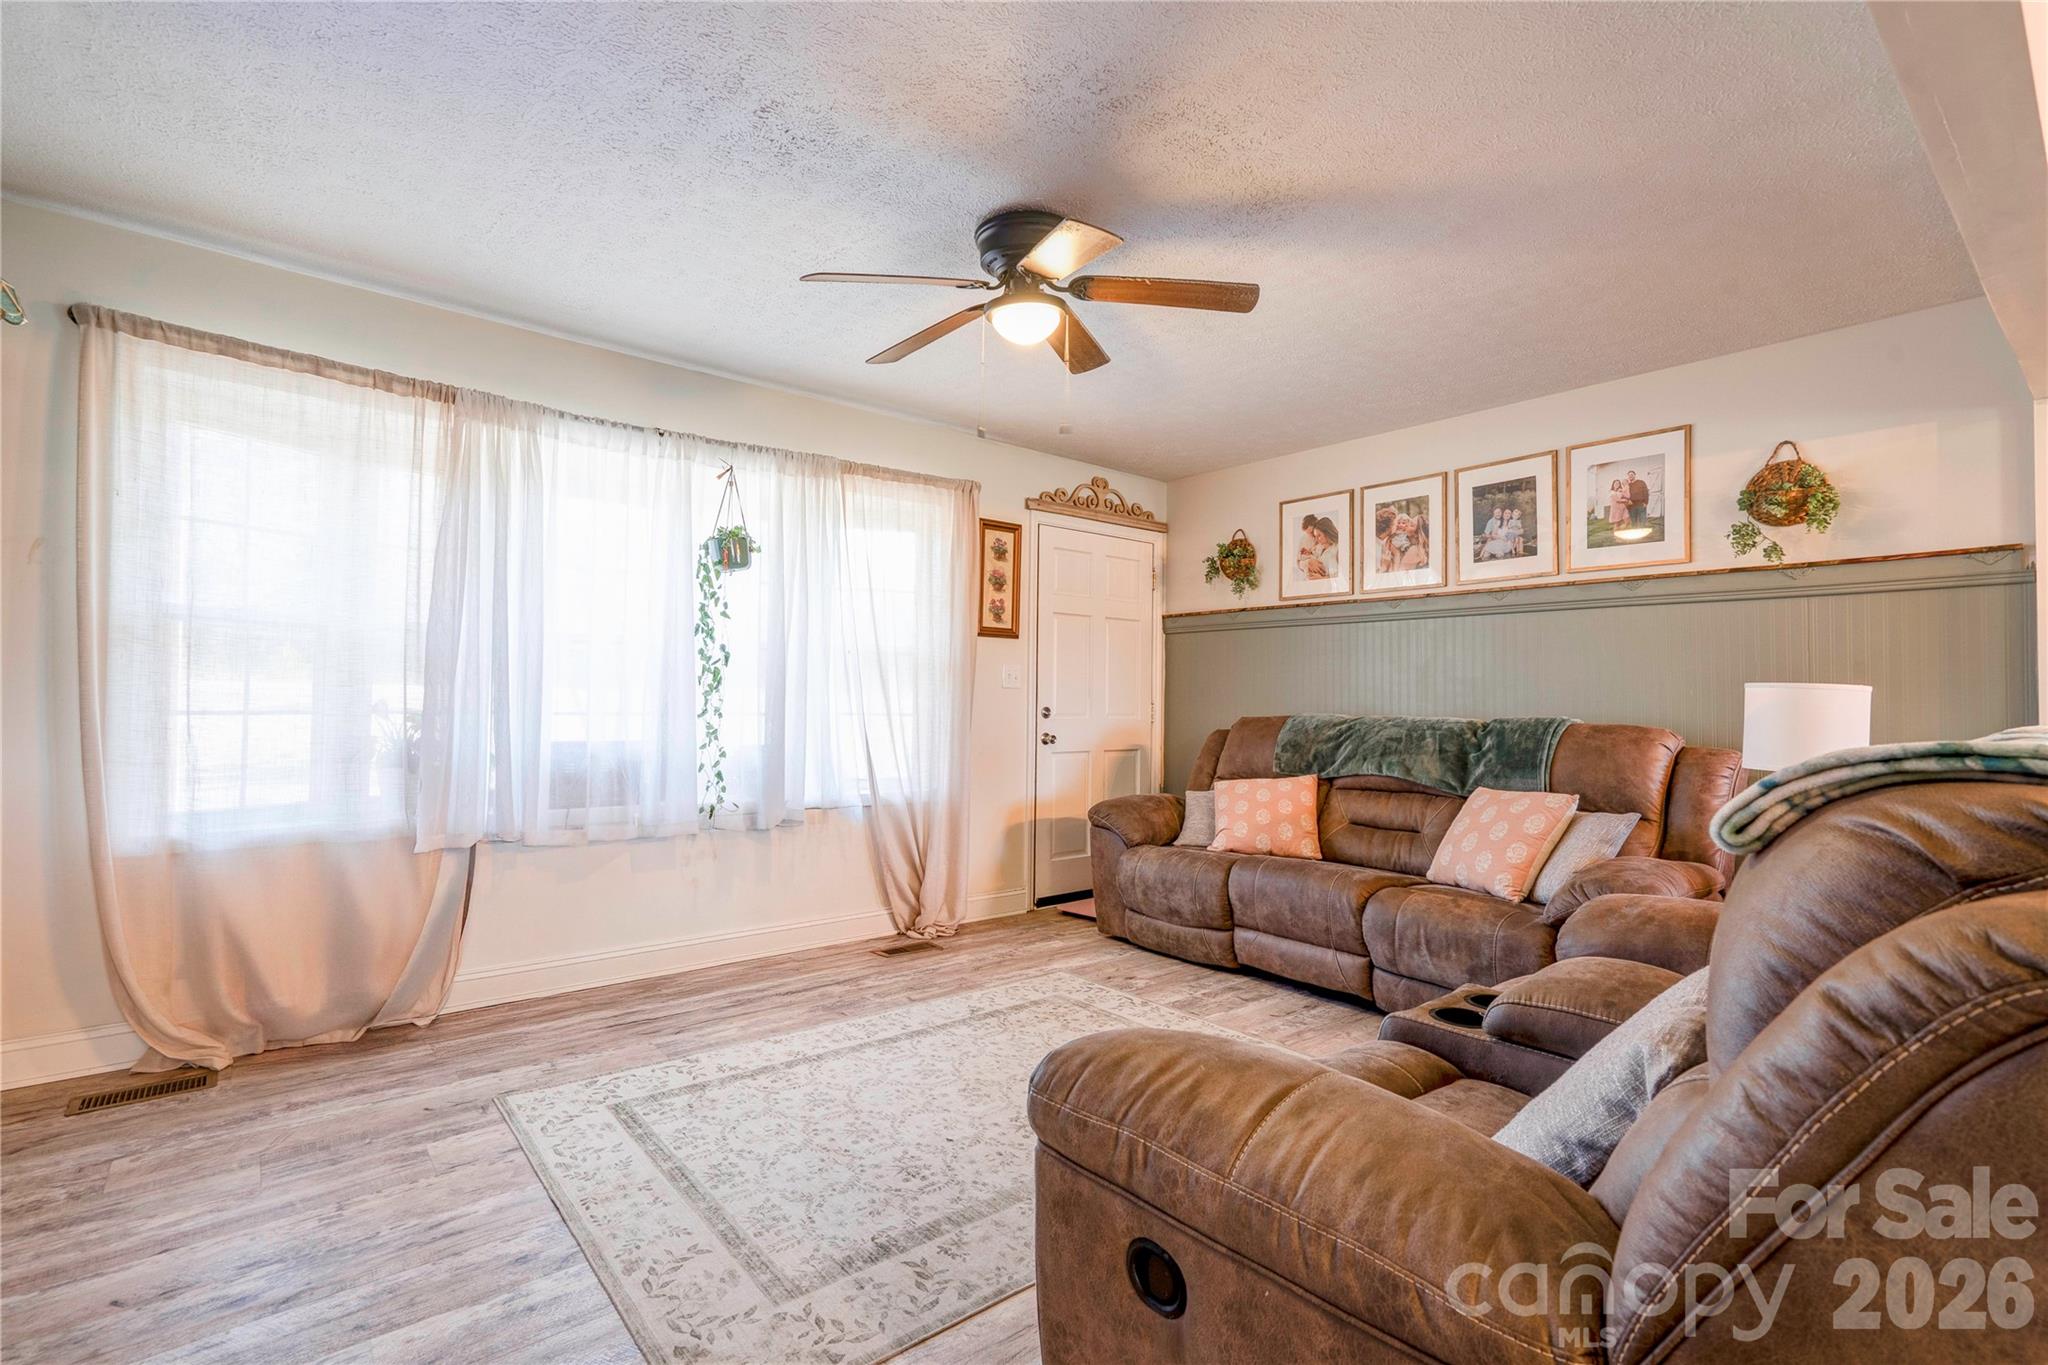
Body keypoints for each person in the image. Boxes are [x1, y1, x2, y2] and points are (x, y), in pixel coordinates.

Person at [1297, 513, 1339, 580]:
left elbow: (1340, 577)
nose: (1315, 539)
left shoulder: (1337, 549)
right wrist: (1308, 560)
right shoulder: (1318, 547)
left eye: (1319, 535)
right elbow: (1299, 562)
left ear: (1327, 532)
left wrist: (1322, 579)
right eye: (1315, 535)